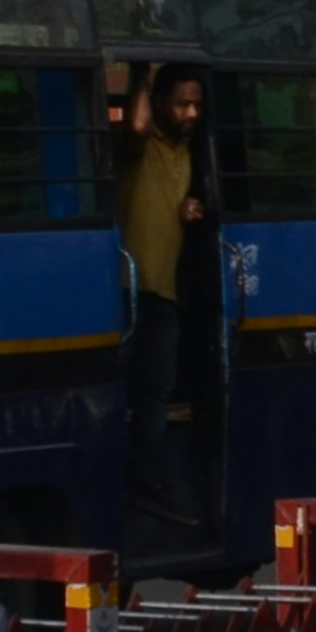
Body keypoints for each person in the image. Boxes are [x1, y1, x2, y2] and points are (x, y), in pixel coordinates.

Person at [119, 66, 210, 517]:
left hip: (164, 293)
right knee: (120, 391)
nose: (191, 113)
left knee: (155, 395)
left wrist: (188, 208)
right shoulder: (142, 143)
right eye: (181, 104)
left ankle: (146, 482)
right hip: (126, 291)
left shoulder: (187, 152)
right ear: (158, 102)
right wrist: (142, 72)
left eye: (196, 104)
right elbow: (136, 126)